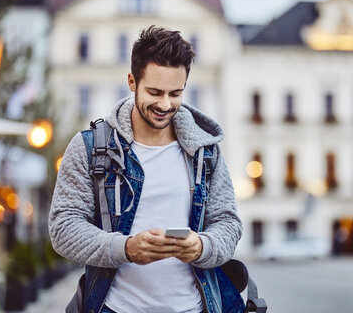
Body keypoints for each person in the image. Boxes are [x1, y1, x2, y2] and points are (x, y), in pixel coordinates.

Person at [49, 25, 243, 313]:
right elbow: (63, 229)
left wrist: (202, 246)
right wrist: (125, 249)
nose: (165, 104)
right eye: (155, 92)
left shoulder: (206, 151)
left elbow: (229, 224)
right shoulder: (90, 148)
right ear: (131, 81)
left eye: (175, 93)